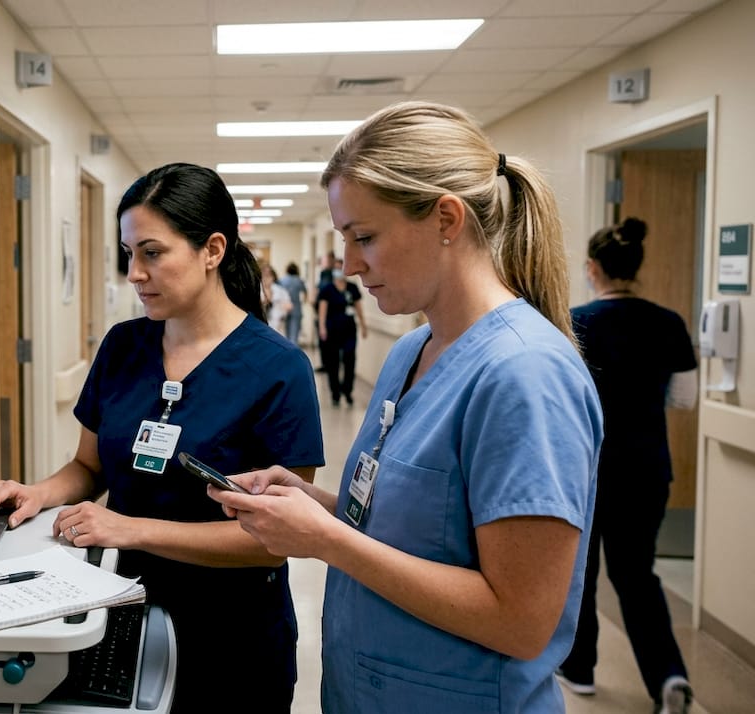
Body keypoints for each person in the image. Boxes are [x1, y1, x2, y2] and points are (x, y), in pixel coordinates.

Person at [208, 101, 603, 713]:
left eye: (365, 237)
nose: (348, 265)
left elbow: (521, 620)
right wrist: (317, 508)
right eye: (345, 239)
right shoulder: (414, 350)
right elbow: (416, 532)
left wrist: (326, 541)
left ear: (447, 218)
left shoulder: (525, 375)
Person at [0, 162, 325, 713]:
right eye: (128, 253)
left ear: (213, 249)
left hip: (231, 637)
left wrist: (131, 528)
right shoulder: (124, 346)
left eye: (152, 253)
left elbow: (275, 541)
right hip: (120, 608)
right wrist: (37, 492)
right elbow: (88, 468)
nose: (134, 273)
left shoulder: (278, 369)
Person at [559, 217, 698, 714]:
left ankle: (579, 668)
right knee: (638, 575)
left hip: (589, 470)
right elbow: (683, 400)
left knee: (582, 570)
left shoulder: (577, 322)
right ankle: (668, 675)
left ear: (592, 268)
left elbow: (561, 400)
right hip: (648, 471)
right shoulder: (669, 322)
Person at [316, 264, 369, 405]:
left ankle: (347, 390)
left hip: (349, 329)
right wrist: (322, 327)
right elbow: (322, 309)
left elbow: (358, 306)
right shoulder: (327, 289)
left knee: (349, 359)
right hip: (332, 329)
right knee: (333, 362)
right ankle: (335, 392)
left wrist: (363, 325)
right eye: (337, 268)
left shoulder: (352, 288)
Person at [278, 262, 309, 345]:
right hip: (296, 309)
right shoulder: (299, 280)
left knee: (287, 333)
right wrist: (303, 302)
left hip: (285, 308)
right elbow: (305, 293)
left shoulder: (282, 280)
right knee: (294, 334)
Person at [262, 261, 294, 336]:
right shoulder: (255, 291)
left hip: (277, 327)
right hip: (261, 328)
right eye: (264, 275)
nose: (266, 278)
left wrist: (284, 306)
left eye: (268, 275)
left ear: (273, 277)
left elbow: (289, 305)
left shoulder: (281, 291)